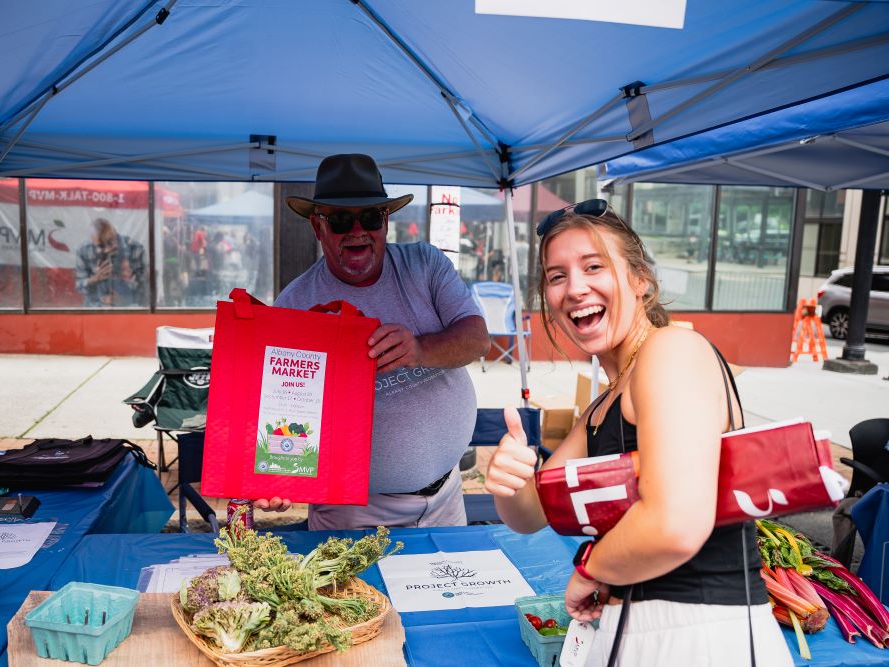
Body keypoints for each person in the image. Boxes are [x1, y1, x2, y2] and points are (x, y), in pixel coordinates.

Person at [484, 200, 791, 666]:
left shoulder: (673, 352)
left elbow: (676, 525)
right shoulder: (603, 405)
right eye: (556, 275)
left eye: (593, 266)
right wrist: (508, 479)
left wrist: (590, 568)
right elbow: (531, 514)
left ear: (641, 279)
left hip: (700, 634)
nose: (575, 288)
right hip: (632, 628)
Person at [256, 153, 490, 530]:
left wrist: (419, 349)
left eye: (369, 218)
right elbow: (280, 410)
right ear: (317, 227)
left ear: (385, 220)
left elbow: (478, 339)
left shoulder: (425, 264)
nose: (357, 230)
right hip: (351, 511)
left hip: (446, 497)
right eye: (340, 220)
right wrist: (279, 476)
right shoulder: (296, 304)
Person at [75, 218, 147, 306]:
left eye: (110, 243)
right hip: (94, 308)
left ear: (115, 234)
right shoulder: (84, 251)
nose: (107, 250)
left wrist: (128, 279)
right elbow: (79, 286)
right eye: (101, 246)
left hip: (127, 308)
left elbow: (145, 287)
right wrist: (95, 279)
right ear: (93, 240)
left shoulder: (135, 249)